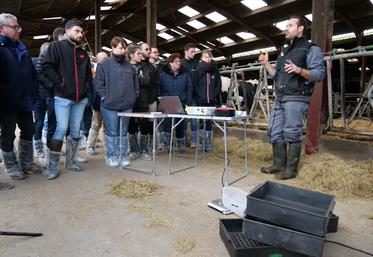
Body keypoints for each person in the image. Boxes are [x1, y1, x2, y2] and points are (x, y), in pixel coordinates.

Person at [258, 15, 325, 180]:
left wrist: (299, 70)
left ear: (300, 28)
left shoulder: (311, 49)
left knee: (291, 131)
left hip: (297, 97)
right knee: (274, 131)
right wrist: (267, 63)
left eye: (289, 25)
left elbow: (319, 74)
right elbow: (276, 76)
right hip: (281, 96)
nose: (285, 28)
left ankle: (291, 170)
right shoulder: (285, 51)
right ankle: (278, 164)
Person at [42, 18, 92, 179]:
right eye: (77, 31)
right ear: (68, 30)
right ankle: (52, 166)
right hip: (63, 97)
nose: (80, 34)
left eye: (82, 32)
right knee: (61, 128)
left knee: (76, 130)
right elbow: (47, 66)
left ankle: (71, 162)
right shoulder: (56, 47)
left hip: (80, 98)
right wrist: (59, 83)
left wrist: (86, 89)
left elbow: (88, 76)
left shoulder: (83, 52)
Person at [0, 13, 42, 180]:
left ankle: (26, 162)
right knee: (8, 133)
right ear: (2, 28)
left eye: (18, 26)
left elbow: (31, 74)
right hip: (6, 101)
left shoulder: (21, 47)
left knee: (29, 129)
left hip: (25, 98)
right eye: (15, 27)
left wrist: (34, 92)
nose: (19, 30)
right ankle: (11, 166)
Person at [95, 37, 139, 168]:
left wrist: (133, 98)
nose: (123, 50)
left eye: (124, 48)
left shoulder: (129, 66)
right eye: (120, 47)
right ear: (113, 48)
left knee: (123, 132)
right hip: (109, 105)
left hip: (126, 105)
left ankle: (122, 155)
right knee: (112, 131)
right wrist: (104, 97)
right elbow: (98, 84)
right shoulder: (104, 64)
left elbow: (136, 85)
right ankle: (111, 156)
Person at [127, 43, 159, 161]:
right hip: (129, 102)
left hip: (143, 100)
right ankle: (134, 150)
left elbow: (146, 81)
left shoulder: (144, 67)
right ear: (131, 55)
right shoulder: (126, 66)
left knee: (144, 125)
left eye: (141, 53)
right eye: (138, 53)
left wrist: (134, 77)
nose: (141, 55)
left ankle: (144, 150)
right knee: (131, 127)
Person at [160, 53, 192, 152]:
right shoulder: (163, 75)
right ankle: (167, 146)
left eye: (179, 61)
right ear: (170, 63)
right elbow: (159, 88)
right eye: (177, 61)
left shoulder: (184, 74)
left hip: (182, 102)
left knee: (181, 123)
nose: (179, 63)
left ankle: (180, 145)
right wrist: (163, 99)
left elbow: (189, 87)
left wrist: (187, 100)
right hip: (168, 102)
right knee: (167, 124)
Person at [192, 49, 222, 151]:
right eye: (205, 57)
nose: (208, 59)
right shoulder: (198, 70)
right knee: (201, 121)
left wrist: (214, 95)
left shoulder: (215, 70)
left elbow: (218, 85)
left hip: (211, 101)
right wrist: (199, 95)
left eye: (209, 57)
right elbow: (195, 85)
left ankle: (208, 143)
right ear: (201, 58)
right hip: (201, 100)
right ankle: (201, 143)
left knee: (209, 121)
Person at [86, 52, 108, 155]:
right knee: (95, 125)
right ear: (98, 60)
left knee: (108, 127)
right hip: (97, 104)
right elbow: (92, 89)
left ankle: (108, 148)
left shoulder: (110, 70)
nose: (105, 60)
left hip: (109, 104)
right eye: (103, 59)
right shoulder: (93, 72)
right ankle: (90, 146)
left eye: (106, 58)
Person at [181, 43, 199, 148]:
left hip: (194, 96)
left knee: (194, 119)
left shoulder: (197, 64)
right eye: (192, 51)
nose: (194, 53)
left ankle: (194, 141)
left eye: (194, 51)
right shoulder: (181, 63)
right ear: (186, 51)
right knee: (183, 118)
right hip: (184, 97)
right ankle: (183, 141)